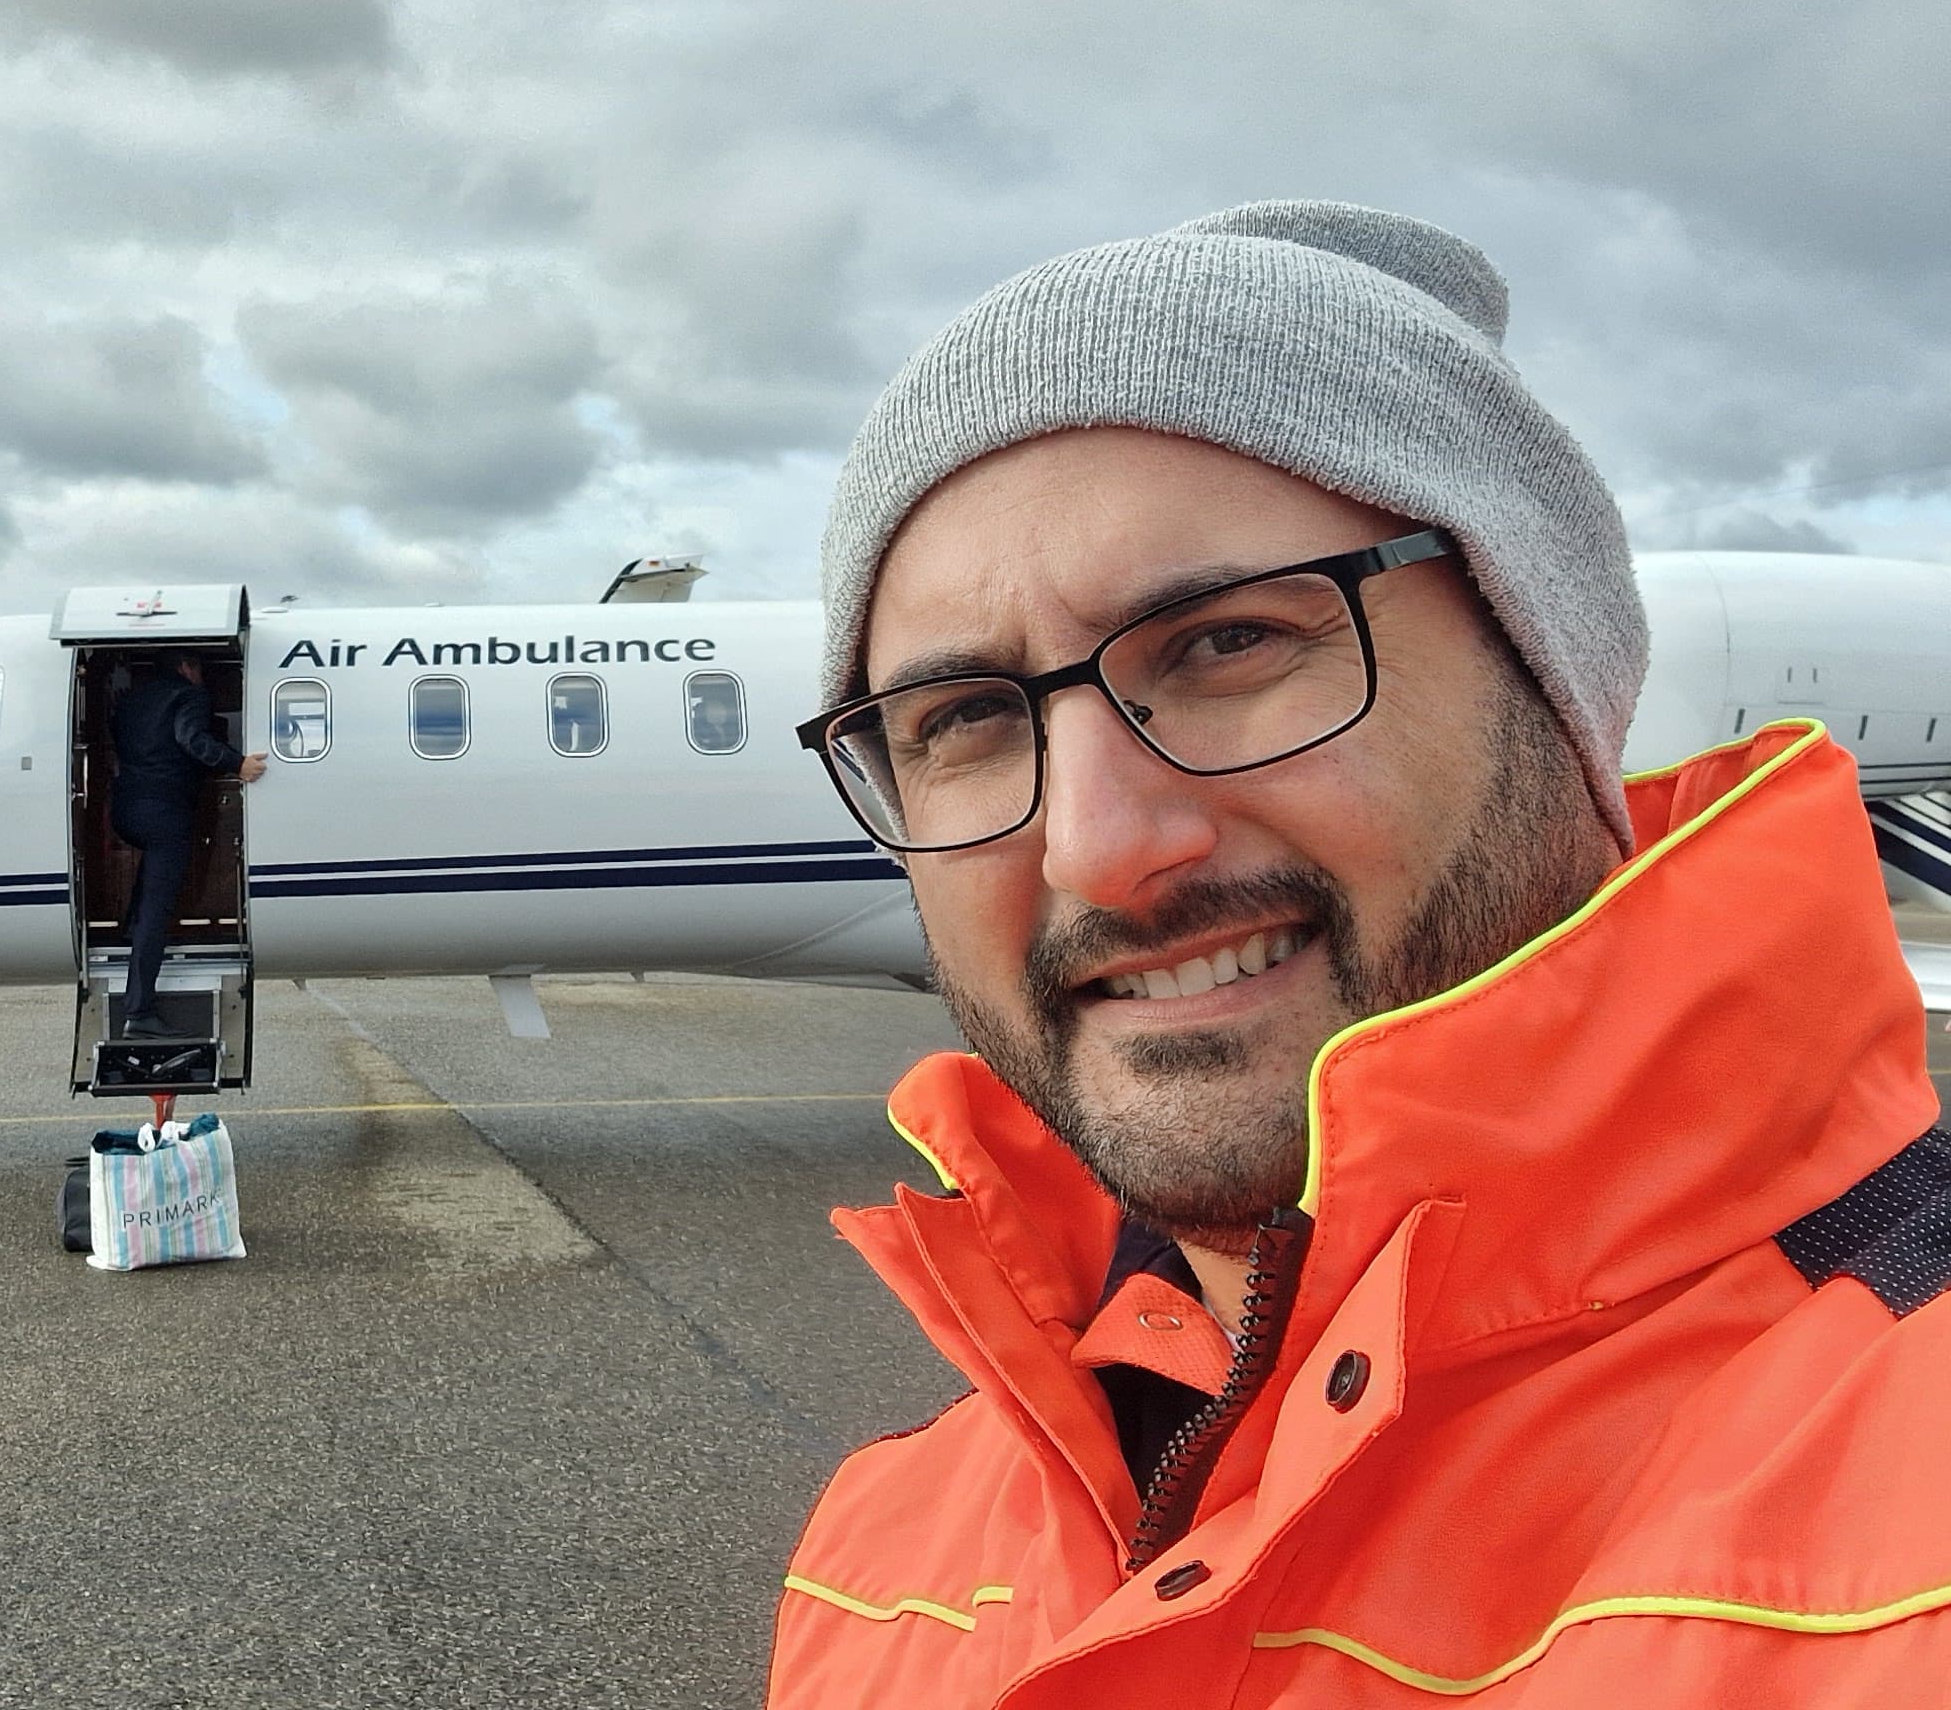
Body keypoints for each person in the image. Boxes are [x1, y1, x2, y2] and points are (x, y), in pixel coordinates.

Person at [770, 201, 1951, 1705]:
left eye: (1229, 644)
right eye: (964, 724)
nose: (1096, 848)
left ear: (1554, 684)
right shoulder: (878, 1561)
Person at [109, 652, 266, 1037]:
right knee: (156, 912)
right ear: (186, 668)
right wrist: (236, 763)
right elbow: (191, 739)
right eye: (199, 669)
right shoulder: (189, 696)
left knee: (150, 887)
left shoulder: (132, 701)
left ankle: (131, 928)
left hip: (126, 811)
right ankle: (140, 1010)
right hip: (164, 813)